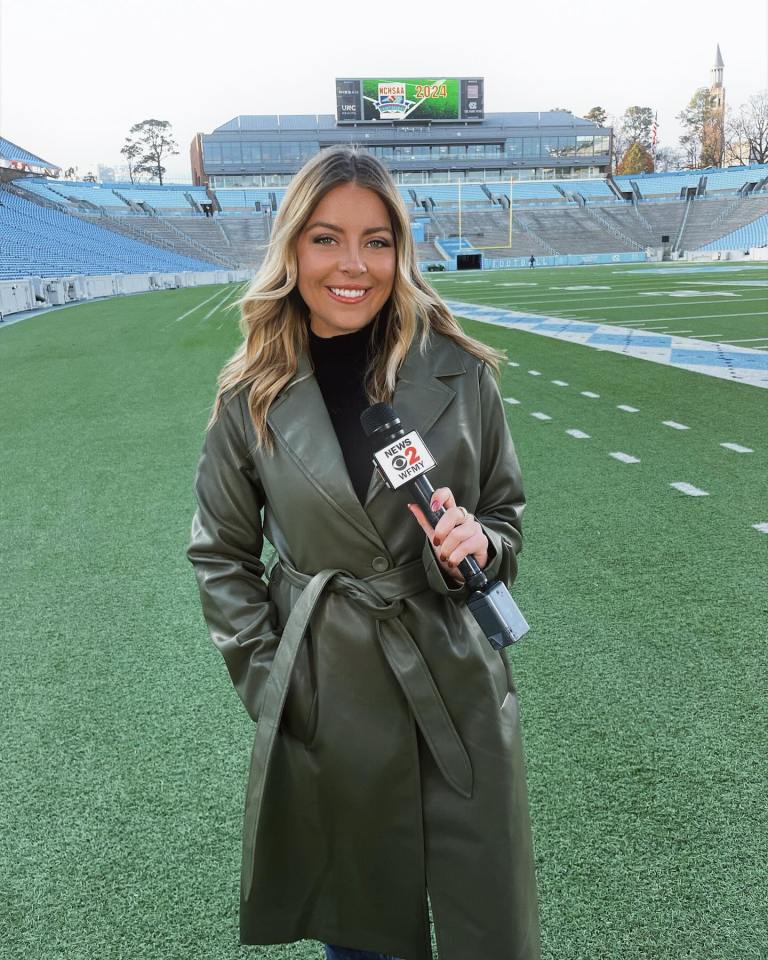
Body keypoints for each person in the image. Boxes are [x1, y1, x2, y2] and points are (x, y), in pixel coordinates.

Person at [186, 145, 540, 960]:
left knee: (485, 923)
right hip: (330, 681)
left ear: (401, 251)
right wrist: (278, 682)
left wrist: (475, 542)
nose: (354, 265)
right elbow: (221, 554)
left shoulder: (460, 371)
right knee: (365, 932)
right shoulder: (252, 394)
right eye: (326, 238)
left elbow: (505, 519)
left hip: (456, 679)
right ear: (291, 249)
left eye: (377, 241)